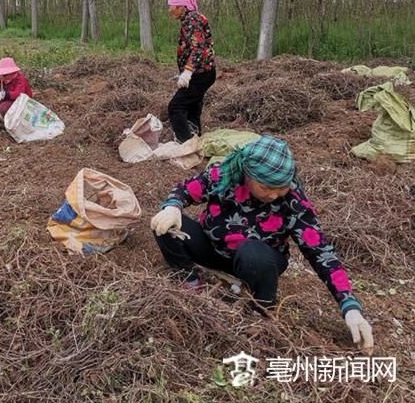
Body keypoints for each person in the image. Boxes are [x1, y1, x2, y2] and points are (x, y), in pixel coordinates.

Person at [151, 135, 374, 353]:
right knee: (164, 223)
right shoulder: (222, 176)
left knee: (252, 252)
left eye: (281, 187)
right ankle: (189, 279)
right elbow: (184, 190)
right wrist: (172, 206)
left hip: (259, 260)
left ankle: (261, 307)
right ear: (247, 175)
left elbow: (321, 253)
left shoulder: (294, 202)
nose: (275, 194)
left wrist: (349, 306)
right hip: (213, 248)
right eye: (266, 187)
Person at [167, 0, 216, 143]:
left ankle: (186, 144)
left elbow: (198, 47)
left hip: (200, 74)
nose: (170, 10)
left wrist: (187, 72)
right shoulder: (195, 18)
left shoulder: (191, 20)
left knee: (176, 107)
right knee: (193, 106)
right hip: (205, 72)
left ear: (182, 7)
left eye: (172, 6)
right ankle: (195, 136)